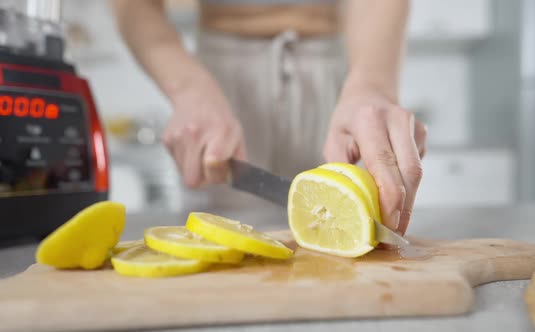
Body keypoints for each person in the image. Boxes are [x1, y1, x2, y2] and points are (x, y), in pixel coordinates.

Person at [111, 0, 427, 235]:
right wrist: (188, 88)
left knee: (354, 230)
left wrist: (374, 87)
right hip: (220, 81)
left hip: (338, 77)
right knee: (224, 244)